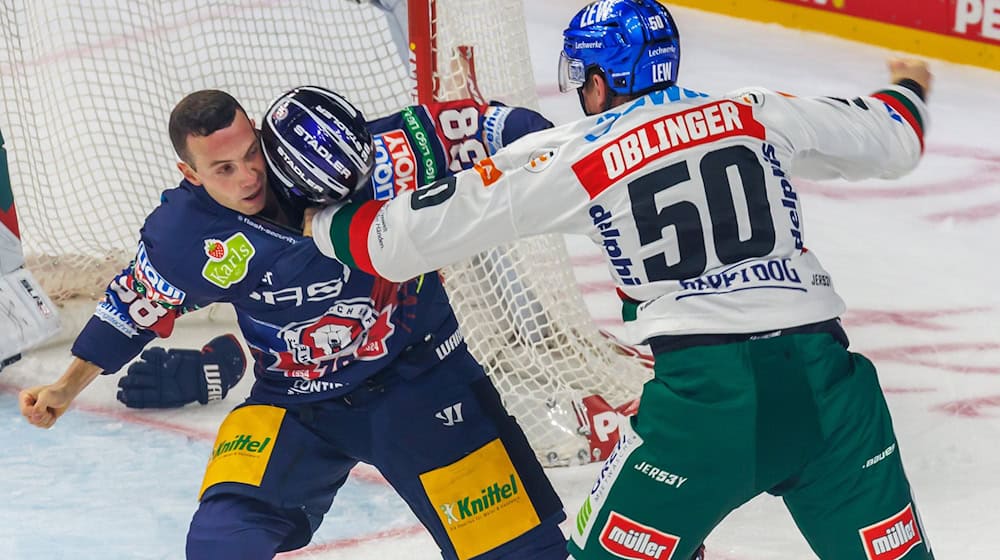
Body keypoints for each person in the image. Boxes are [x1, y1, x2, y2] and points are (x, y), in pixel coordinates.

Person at [301, 1, 936, 558]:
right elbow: (895, 137)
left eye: (582, 76)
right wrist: (909, 85)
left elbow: (397, 240)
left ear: (602, 80)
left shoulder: (578, 153)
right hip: (835, 395)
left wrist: (312, 219)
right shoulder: (757, 112)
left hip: (706, 407)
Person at [18, 85, 568, 560]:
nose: (248, 176)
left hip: (419, 383)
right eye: (223, 169)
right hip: (296, 403)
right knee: (220, 542)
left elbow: (486, 125)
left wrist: (583, 153)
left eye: (251, 154)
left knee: (517, 552)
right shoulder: (187, 236)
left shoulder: (339, 152)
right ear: (189, 173)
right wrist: (65, 389)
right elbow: (132, 308)